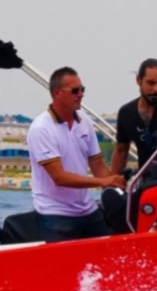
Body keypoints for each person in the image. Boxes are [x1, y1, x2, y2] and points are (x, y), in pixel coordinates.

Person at [26, 66, 125, 243]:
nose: (81, 94)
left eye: (82, 89)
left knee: (108, 254)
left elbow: (98, 165)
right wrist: (103, 182)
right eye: (75, 90)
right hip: (56, 215)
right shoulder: (41, 129)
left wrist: (116, 186)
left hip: (88, 210)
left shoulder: (84, 121)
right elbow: (59, 177)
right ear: (57, 93)